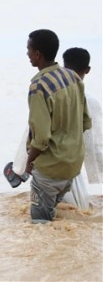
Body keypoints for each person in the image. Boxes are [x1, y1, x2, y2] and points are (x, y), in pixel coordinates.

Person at [24, 29, 91, 224]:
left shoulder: (38, 87)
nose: (27, 54)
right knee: (54, 220)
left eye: (28, 49)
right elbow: (86, 121)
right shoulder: (73, 77)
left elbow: (41, 138)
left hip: (50, 169)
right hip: (72, 166)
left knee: (40, 225)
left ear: (38, 54)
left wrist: (29, 162)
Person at [63, 47, 102, 186]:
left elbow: (35, 131)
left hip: (52, 170)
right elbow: (95, 145)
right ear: (88, 69)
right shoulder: (91, 102)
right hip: (75, 171)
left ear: (64, 67)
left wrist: (19, 170)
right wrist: (96, 183)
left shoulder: (53, 97)